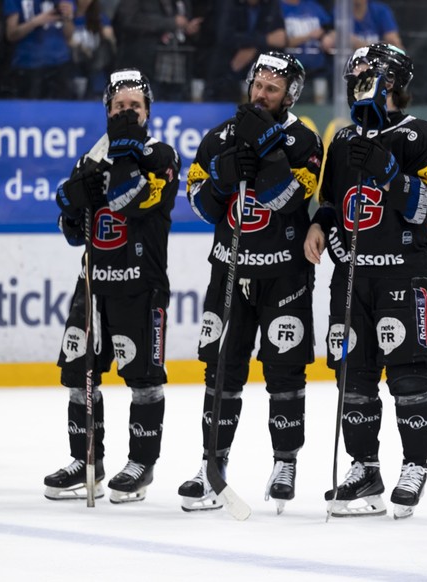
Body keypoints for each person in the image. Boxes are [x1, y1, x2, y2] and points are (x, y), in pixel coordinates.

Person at [303, 42, 427, 519]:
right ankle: (365, 467)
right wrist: (319, 225)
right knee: (353, 377)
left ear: (392, 84)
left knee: (408, 374)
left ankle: (415, 464)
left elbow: (425, 208)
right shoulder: (342, 140)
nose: (356, 86)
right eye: (353, 78)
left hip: (403, 273)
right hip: (350, 276)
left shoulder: (423, 134)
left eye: (367, 77)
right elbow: (331, 201)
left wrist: (389, 172)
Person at [179, 51, 323, 514]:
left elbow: (287, 198)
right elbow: (201, 206)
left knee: (284, 372)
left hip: (285, 275)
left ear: (290, 95)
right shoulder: (219, 136)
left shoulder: (304, 139)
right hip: (230, 270)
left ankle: (285, 462)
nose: (261, 95)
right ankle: (212, 465)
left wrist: (265, 153)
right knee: (221, 372)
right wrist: (226, 170)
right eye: (258, 86)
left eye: (272, 89)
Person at [45, 69, 181, 503]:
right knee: (77, 374)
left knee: (143, 380)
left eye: (134, 107)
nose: (126, 113)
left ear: (147, 113)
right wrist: (71, 203)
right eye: (120, 106)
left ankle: (141, 463)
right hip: (92, 285)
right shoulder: (88, 159)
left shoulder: (161, 155)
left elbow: (137, 201)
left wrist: (121, 162)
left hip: (141, 287)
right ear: (107, 109)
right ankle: (88, 461)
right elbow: (71, 233)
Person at [113, 0, 203, 101]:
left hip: (178, 64)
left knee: (177, 103)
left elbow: (184, 21)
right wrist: (170, 22)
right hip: (144, 64)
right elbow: (128, 20)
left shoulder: (181, 3)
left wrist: (188, 27)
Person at [204, 0, 287, 102]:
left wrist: (253, 49)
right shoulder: (227, 4)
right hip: (226, 71)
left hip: (262, 72)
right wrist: (264, 40)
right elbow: (224, 37)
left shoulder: (270, 5)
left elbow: (280, 39)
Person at [3, 0, 76, 99]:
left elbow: (68, 35)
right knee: (30, 112)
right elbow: (11, 35)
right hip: (28, 64)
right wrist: (36, 21)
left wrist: (68, 18)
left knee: (62, 112)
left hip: (60, 63)